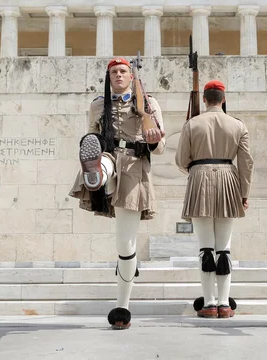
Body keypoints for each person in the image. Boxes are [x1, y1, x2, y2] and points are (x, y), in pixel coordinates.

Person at [69, 57, 166, 330]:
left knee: (125, 246)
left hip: (135, 167)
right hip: (109, 155)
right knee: (102, 159)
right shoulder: (99, 104)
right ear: (108, 76)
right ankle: (96, 173)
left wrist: (154, 138)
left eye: (123, 71)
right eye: (114, 72)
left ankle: (122, 304)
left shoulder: (148, 104)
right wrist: (94, 149)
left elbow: (160, 148)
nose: (118, 75)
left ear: (131, 76)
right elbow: (91, 136)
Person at [175, 80, 254, 319]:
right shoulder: (238, 125)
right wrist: (244, 193)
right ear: (223, 98)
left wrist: (196, 168)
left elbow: (180, 160)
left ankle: (209, 303)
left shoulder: (192, 123)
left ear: (204, 100)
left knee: (205, 248)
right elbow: (247, 163)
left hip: (199, 178)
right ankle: (224, 303)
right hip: (229, 179)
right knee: (224, 249)